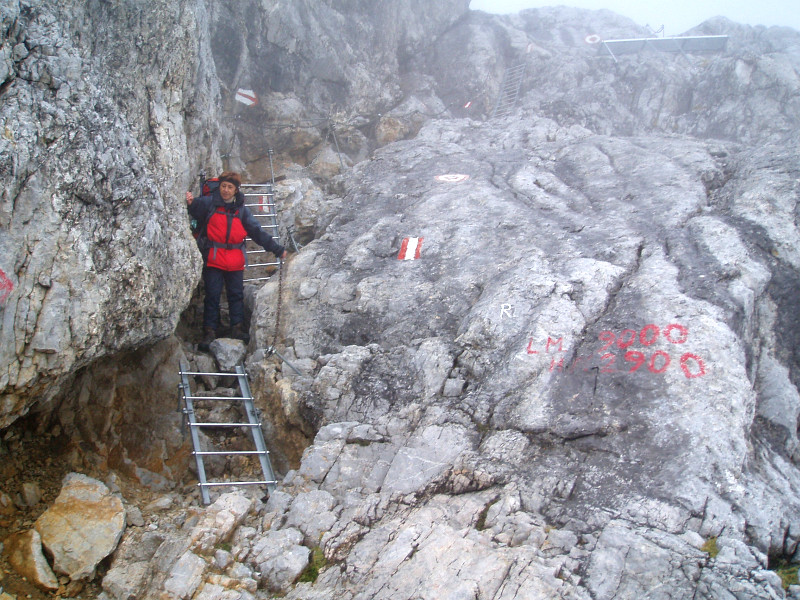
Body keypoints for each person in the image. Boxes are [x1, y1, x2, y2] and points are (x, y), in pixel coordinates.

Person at [186, 171, 286, 350]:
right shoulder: (209, 203)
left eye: (230, 187)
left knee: (236, 295)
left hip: (234, 261)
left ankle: (237, 329)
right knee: (212, 295)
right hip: (214, 258)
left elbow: (257, 232)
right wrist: (190, 201)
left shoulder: (242, 211)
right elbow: (194, 208)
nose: (225, 190)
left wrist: (277, 249)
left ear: (236, 190)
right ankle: (209, 332)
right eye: (223, 186)